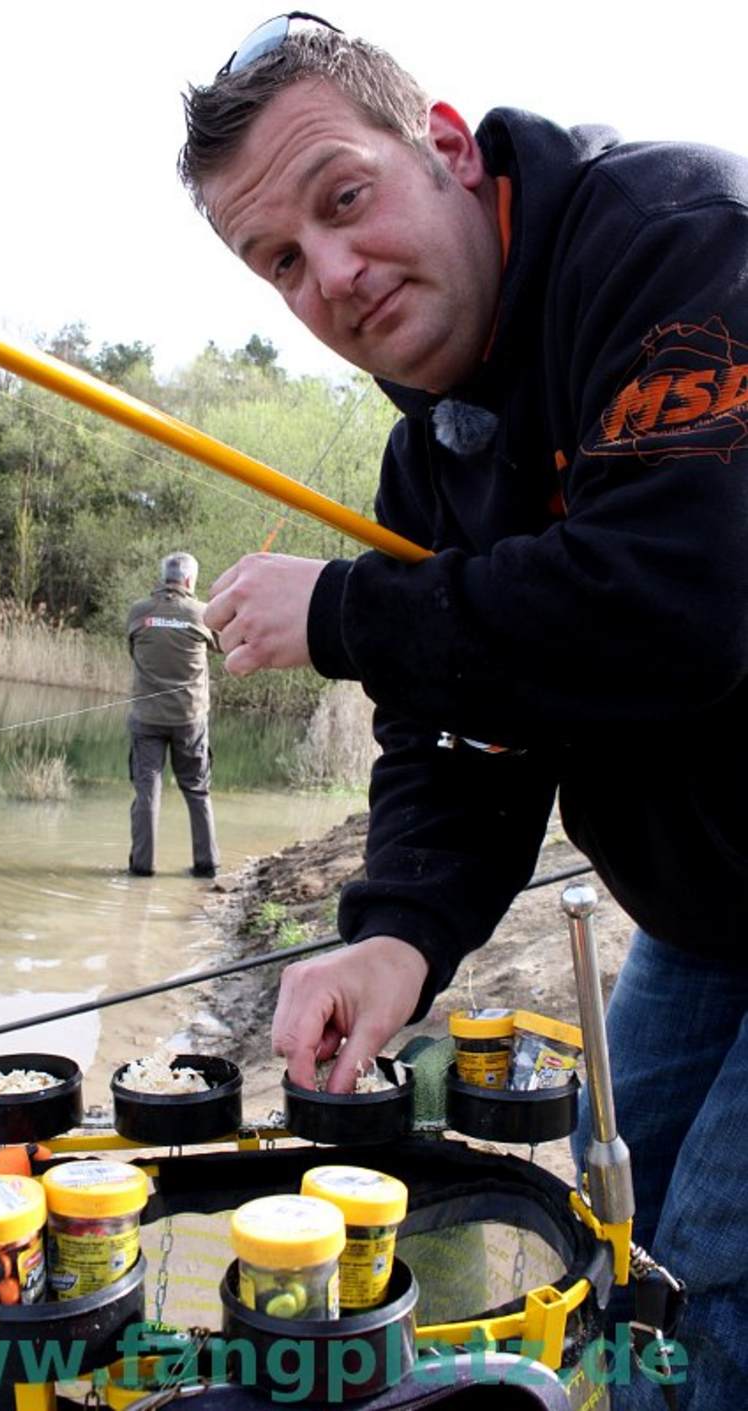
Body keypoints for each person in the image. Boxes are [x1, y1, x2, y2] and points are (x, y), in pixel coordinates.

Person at [177, 15, 748, 1410]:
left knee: (722, 1263)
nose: (334, 276)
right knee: (626, 1232)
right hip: (706, 906)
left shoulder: (679, 240)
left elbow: (680, 599)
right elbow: (458, 735)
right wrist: (396, 936)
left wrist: (343, 612)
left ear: (438, 144)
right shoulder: (425, 453)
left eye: (343, 199)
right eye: (282, 262)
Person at [126, 551, 220, 878]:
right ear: (190, 581)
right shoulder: (203, 614)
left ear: (164, 577)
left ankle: (142, 868)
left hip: (146, 718)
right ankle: (206, 866)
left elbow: (133, 647)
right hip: (190, 719)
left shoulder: (139, 612)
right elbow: (223, 644)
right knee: (196, 790)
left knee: (147, 792)